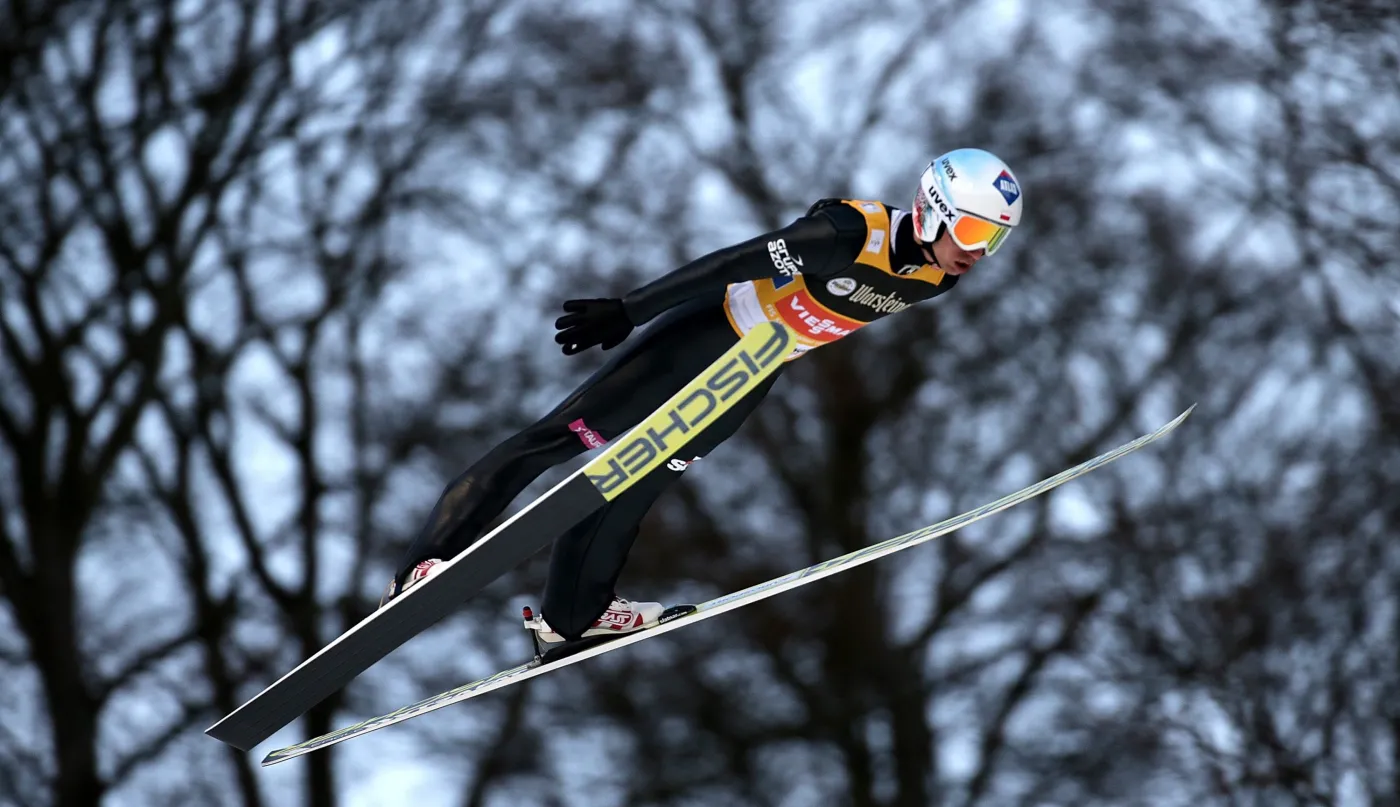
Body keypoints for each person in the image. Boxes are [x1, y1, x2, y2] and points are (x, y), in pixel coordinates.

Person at [381, 148, 1025, 644]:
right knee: (559, 440)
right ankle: (425, 566)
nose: (976, 255)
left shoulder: (939, 279)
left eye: (992, 242)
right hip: (706, 337)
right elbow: (732, 261)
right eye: (972, 234)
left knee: (635, 485)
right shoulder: (848, 233)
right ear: (934, 206)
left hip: (753, 372)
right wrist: (629, 310)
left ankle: (570, 619)